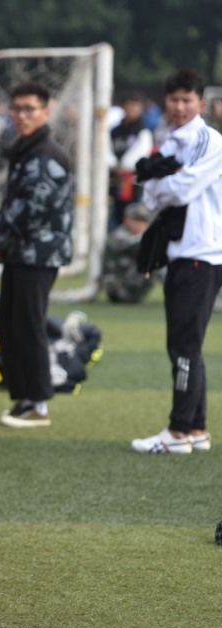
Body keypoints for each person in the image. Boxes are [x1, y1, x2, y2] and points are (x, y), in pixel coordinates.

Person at [130, 70, 222, 455]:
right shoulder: (170, 141)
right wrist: (163, 176)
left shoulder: (207, 139)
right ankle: (196, 428)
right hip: (181, 252)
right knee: (186, 344)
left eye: (187, 100)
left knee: (184, 345)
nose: (180, 106)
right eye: (174, 99)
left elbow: (181, 189)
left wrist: (164, 177)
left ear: (201, 103)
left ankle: (179, 432)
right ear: (165, 102)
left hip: (202, 252)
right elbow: (148, 194)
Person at [0, 81, 73, 428]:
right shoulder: (26, 149)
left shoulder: (47, 154)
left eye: (30, 109)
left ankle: (38, 404)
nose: (22, 116)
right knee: (10, 325)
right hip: (21, 251)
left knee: (28, 326)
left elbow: (31, 210)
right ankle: (25, 397)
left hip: (38, 254)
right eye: (17, 109)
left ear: (46, 111)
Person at [107, 92, 153, 229]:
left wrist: (125, 166)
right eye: (129, 106)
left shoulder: (143, 130)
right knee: (115, 211)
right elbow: (106, 149)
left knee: (134, 213)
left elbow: (142, 151)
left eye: (135, 107)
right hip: (115, 178)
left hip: (134, 180)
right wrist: (114, 165)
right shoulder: (115, 131)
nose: (132, 110)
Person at [101, 202, 157, 303]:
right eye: (136, 220)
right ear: (127, 220)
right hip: (118, 288)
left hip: (136, 287)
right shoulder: (119, 235)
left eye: (142, 220)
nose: (140, 224)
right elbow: (136, 248)